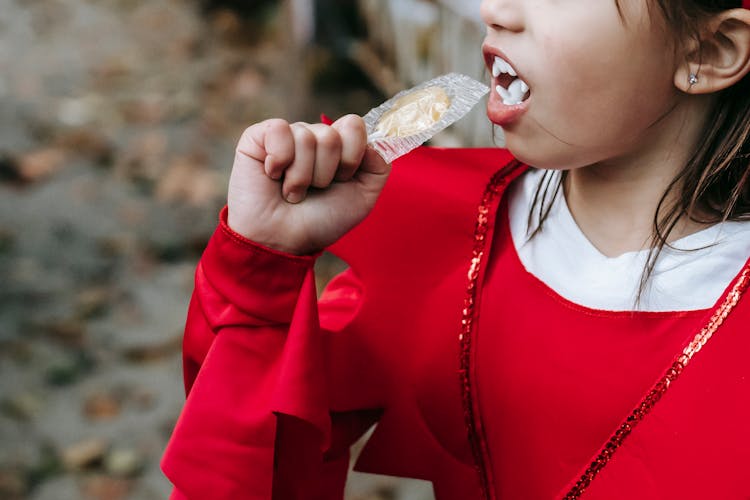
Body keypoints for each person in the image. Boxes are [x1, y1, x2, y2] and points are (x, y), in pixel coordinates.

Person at [162, 0, 750, 498]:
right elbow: (247, 471)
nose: (494, 11)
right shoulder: (443, 236)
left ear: (713, 51)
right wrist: (261, 265)